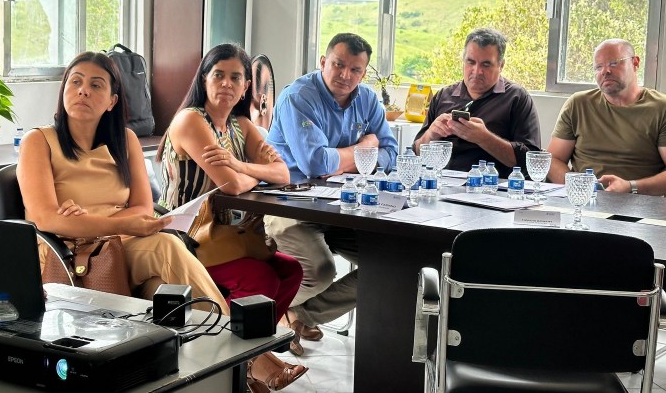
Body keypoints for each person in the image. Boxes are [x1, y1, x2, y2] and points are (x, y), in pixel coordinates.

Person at [17, 52, 227, 312]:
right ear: (64, 90)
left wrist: (84, 222)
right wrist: (115, 222)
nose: (83, 91)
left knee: (163, 289)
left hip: (116, 246)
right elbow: (46, 218)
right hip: (64, 254)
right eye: (76, 82)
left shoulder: (126, 141)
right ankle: (244, 348)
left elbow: (142, 209)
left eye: (96, 85)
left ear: (111, 101)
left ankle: (228, 346)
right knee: (165, 258)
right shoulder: (38, 141)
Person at [157, 44, 307, 391]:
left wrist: (240, 165)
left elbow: (282, 173)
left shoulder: (240, 125)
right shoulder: (191, 120)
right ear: (204, 80)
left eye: (235, 77)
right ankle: (246, 360)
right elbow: (230, 185)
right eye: (218, 75)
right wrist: (254, 172)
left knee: (289, 271)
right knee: (260, 279)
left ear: (245, 88)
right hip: (184, 236)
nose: (226, 83)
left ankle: (248, 357)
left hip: (227, 237)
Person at [265, 33, 398, 352]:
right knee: (318, 270)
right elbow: (314, 164)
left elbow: (392, 153)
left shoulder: (367, 99)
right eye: (338, 65)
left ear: (363, 73)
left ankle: (299, 316)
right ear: (323, 62)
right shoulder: (299, 96)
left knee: (392, 264)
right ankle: (262, 320)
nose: (345, 75)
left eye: (355, 70)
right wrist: (363, 149)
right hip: (289, 203)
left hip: (343, 208)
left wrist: (342, 158)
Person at [413, 28, 541, 177]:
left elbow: (532, 161)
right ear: (463, 61)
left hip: (494, 191)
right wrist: (431, 134)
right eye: (471, 62)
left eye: (486, 65)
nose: (477, 71)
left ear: (501, 65)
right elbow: (416, 152)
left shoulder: (517, 98)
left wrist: (484, 138)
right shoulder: (444, 96)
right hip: (443, 185)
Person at [547, 39, 666, 195]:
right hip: (583, 201)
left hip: (638, 204)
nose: (605, 71)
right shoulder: (578, 104)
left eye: (614, 63)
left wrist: (631, 187)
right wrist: (580, 187)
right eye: (598, 67)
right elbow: (553, 160)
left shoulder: (660, 108)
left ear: (635, 63)